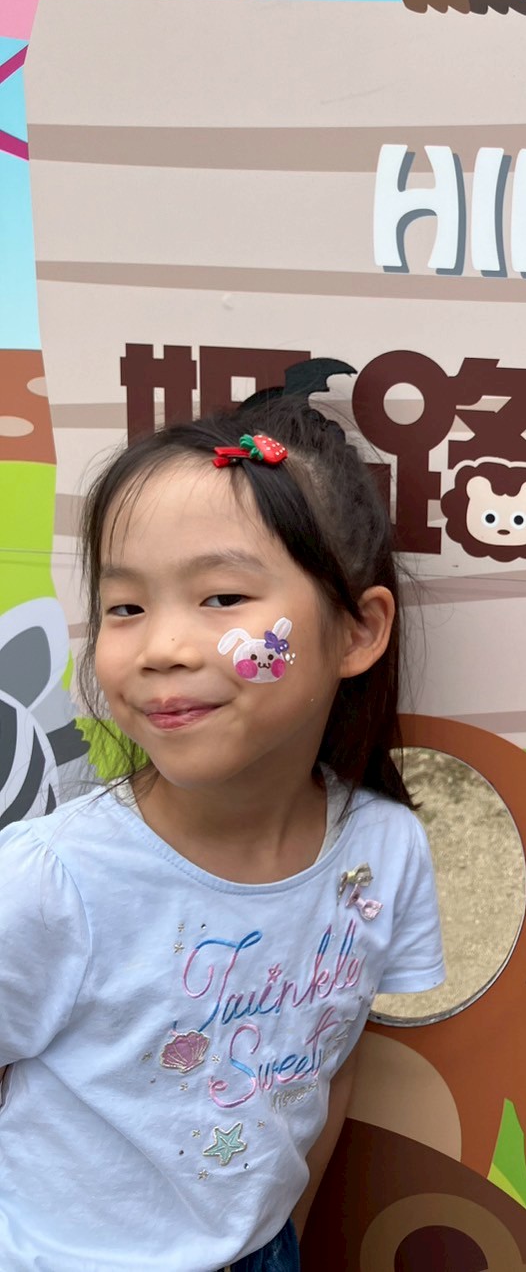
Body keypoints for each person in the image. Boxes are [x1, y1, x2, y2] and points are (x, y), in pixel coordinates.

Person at [0, 402, 445, 1271]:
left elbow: (329, 1062)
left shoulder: (384, 854)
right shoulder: (52, 880)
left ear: (358, 629)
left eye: (222, 597)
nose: (161, 645)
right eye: (125, 605)